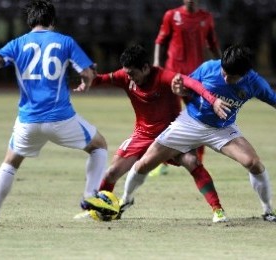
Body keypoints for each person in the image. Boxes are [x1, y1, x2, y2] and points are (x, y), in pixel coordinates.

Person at [119, 44, 276, 223]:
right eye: (224, 72)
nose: (225, 78)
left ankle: (267, 210)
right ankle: (125, 200)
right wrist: (179, 90)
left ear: (245, 73)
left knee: (254, 164)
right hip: (190, 123)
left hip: (222, 130)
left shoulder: (255, 83)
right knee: (145, 163)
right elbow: (187, 88)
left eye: (231, 77)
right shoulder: (209, 68)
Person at [0, 0, 109, 225]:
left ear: (29, 22)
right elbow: (86, 72)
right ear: (52, 21)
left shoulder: (18, 43)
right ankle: (89, 199)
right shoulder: (65, 41)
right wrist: (86, 81)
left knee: (10, 162)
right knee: (99, 146)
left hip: (28, 120)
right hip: (61, 118)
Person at [78, 44, 230, 222]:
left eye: (132, 73)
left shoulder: (164, 77)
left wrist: (213, 100)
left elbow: (192, 83)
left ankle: (217, 210)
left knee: (192, 161)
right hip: (142, 134)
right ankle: (97, 210)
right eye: (126, 73)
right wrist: (88, 78)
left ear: (145, 67)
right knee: (111, 173)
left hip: (173, 134)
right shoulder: (125, 76)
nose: (129, 78)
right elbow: (100, 80)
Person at [152, 0, 222, 175]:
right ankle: (164, 162)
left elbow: (213, 45)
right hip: (173, 75)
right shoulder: (172, 15)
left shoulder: (206, 17)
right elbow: (160, 41)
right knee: (166, 117)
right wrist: (156, 63)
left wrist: (222, 67)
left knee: (201, 119)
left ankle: (198, 161)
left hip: (198, 77)